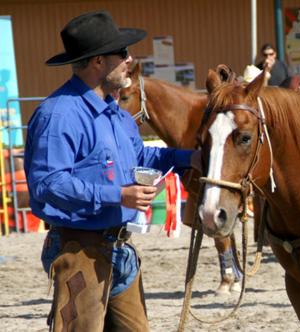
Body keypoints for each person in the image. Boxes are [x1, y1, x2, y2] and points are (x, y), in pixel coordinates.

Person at [24, 11, 200, 331]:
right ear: (98, 63)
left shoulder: (115, 114)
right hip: (78, 251)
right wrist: (118, 195)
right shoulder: (59, 114)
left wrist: (192, 158)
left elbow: (140, 155)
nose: (129, 59)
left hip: (120, 250)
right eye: (122, 53)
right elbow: (48, 183)